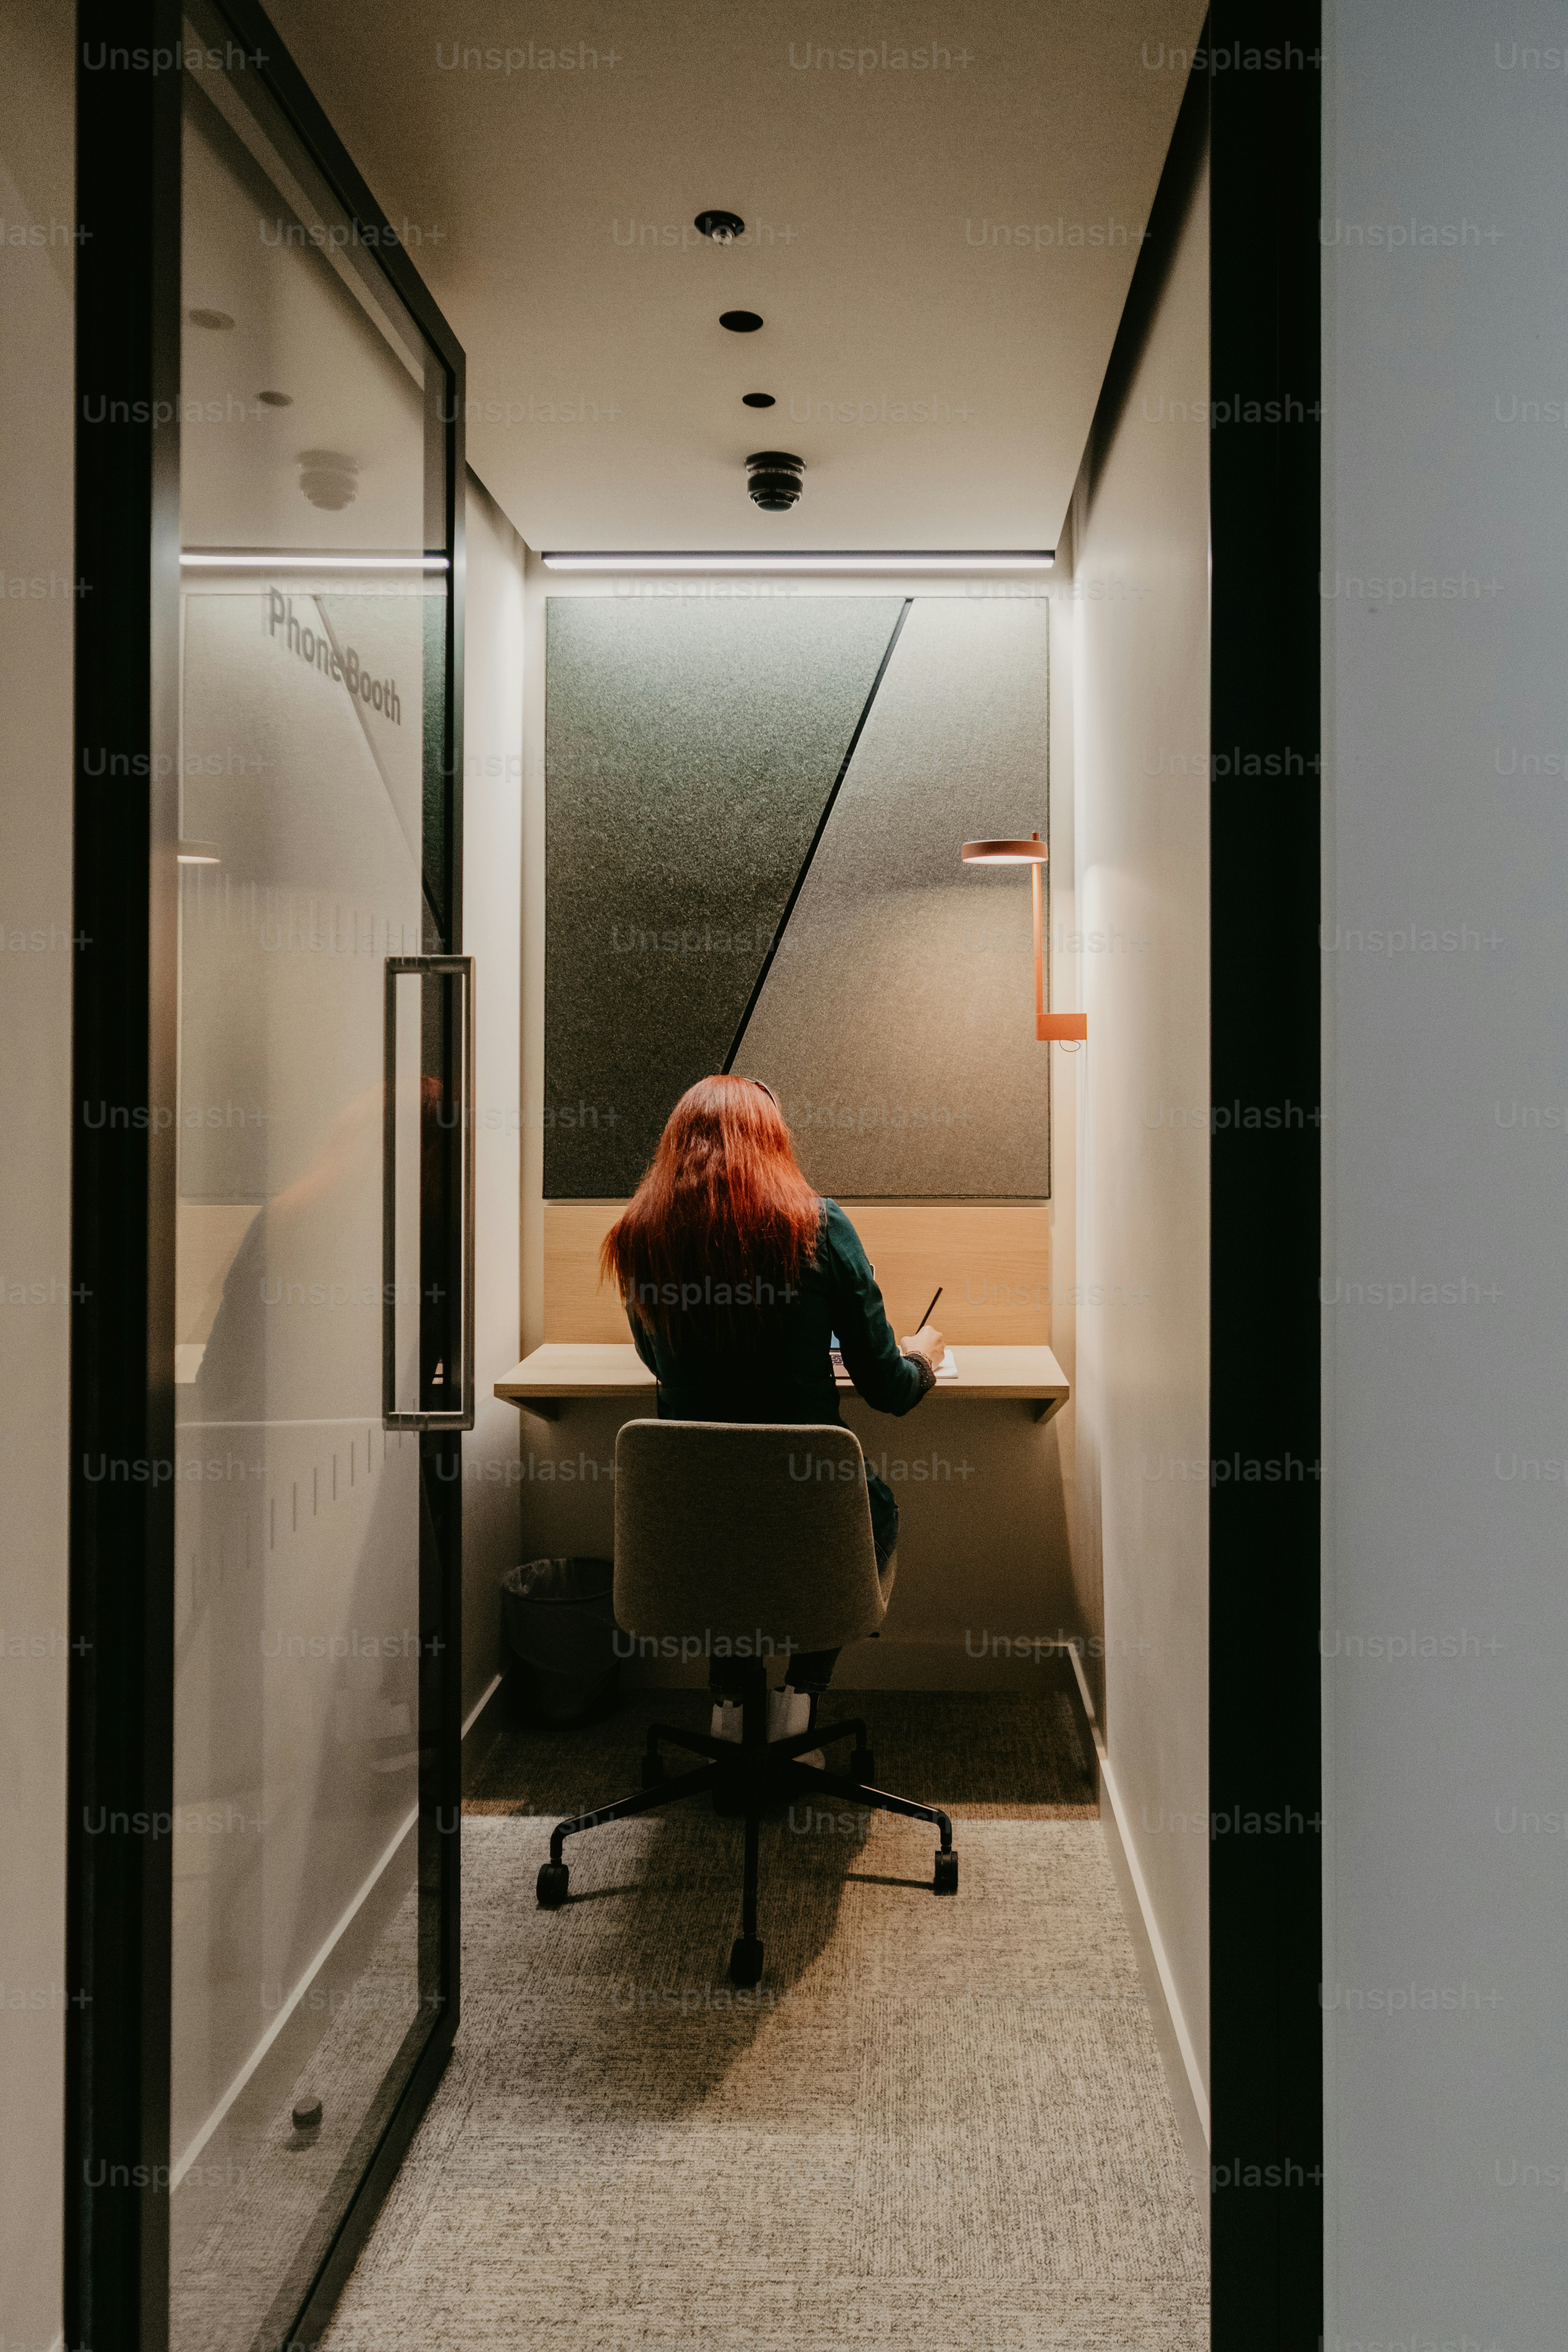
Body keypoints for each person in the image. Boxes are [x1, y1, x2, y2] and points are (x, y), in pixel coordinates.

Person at [600, 1074, 945, 1732]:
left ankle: (729, 1707)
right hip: (812, 1511)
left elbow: (656, 1361)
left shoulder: (640, 1235)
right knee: (864, 1513)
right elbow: (889, 1389)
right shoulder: (820, 1225)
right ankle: (800, 1702)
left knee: (728, 1526)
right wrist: (922, 1356)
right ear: (774, 1142)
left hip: (690, 1521)